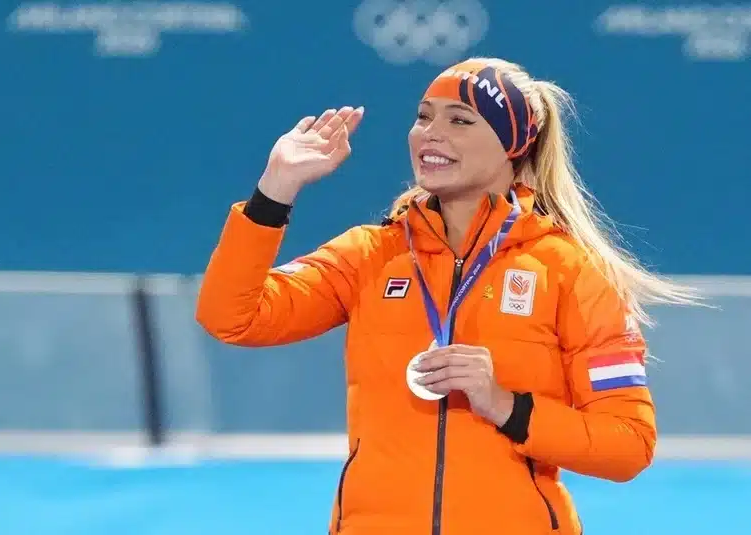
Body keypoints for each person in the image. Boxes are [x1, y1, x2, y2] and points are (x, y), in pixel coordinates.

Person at [196, 57, 700, 535]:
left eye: (460, 120)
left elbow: (627, 446)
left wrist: (506, 406)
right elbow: (232, 318)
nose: (430, 133)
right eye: (423, 116)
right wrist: (275, 190)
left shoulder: (569, 271)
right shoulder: (369, 255)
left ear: (512, 146)